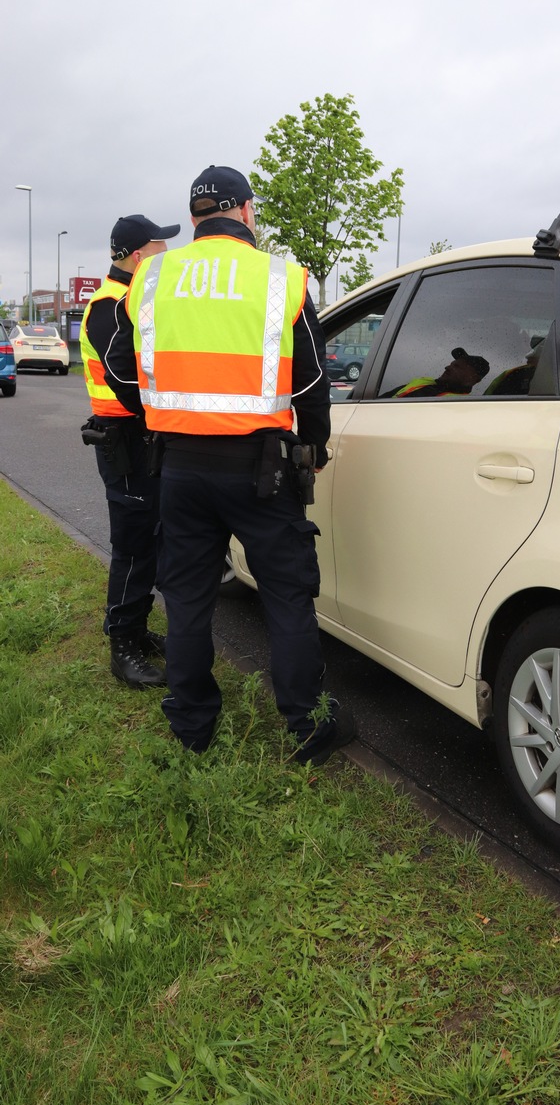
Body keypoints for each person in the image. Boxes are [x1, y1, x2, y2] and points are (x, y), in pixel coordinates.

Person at [105, 165, 354, 764]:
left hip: (180, 467)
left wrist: (159, 415)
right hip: (261, 468)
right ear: (245, 211)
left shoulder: (155, 275)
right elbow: (315, 380)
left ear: (195, 217)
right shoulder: (282, 277)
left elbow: (117, 366)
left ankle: (192, 727)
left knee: (188, 597)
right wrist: (314, 447)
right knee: (287, 596)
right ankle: (306, 727)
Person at [80, 213, 181, 688]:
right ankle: (122, 643)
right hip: (124, 441)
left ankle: (137, 631)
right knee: (133, 544)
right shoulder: (109, 306)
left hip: (141, 440)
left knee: (149, 539)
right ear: (139, 256)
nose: (168, 257)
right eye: (161, 250)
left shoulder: (133, 300)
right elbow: (125, 381)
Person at [382, 347, 490, 398]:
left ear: (474, 379)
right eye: (451, 364)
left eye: (457, 366)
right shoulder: (424, 382)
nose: (447, 367)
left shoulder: (460, 405)